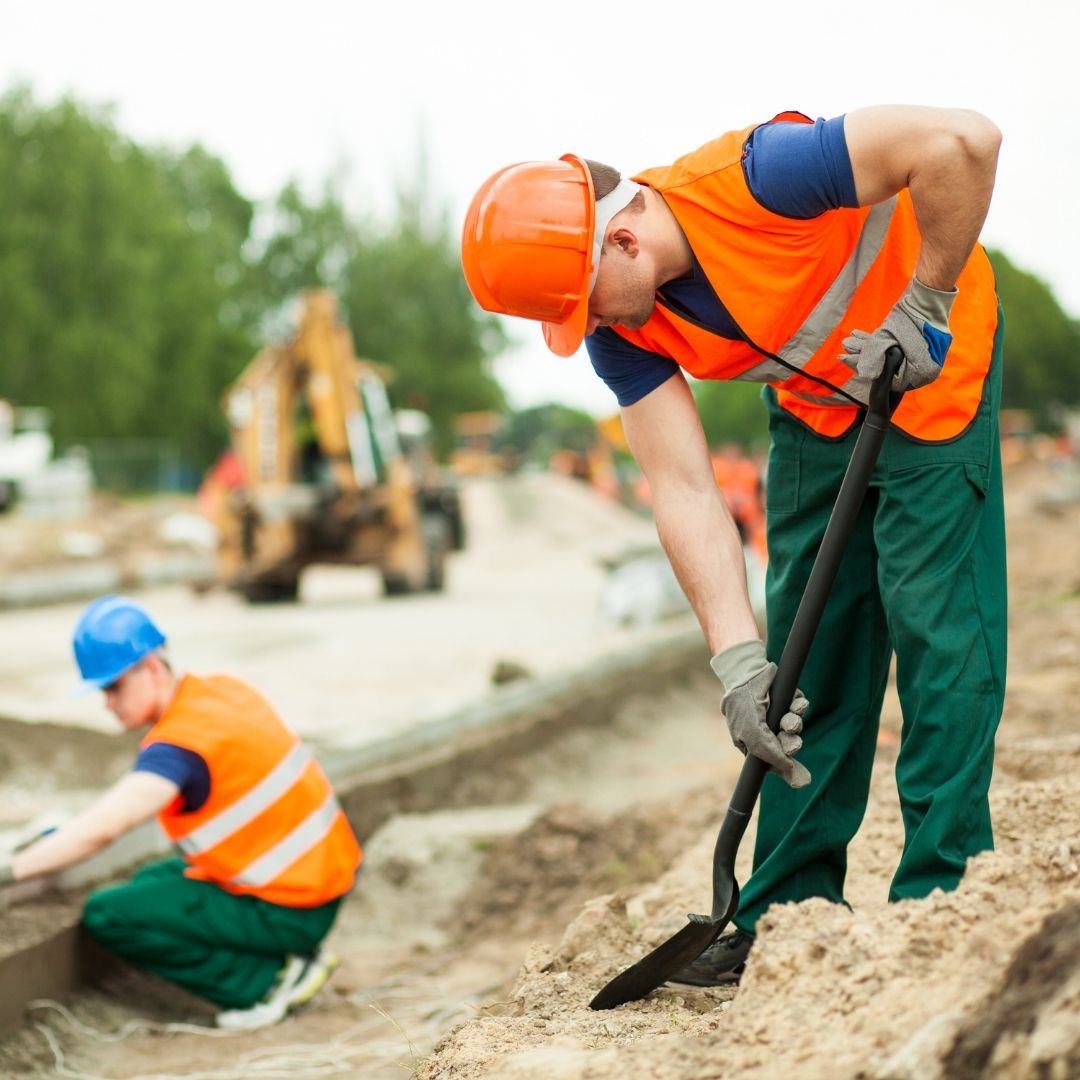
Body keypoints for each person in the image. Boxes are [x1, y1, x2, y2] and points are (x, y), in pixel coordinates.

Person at [460, 106, 1004, 985]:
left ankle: (942, 901)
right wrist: (736, 664)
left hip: (937, 373)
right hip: (818, 411)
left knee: (939, 639)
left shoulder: (766, 176)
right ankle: (788, 917)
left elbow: (965, 143)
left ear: (624, 240)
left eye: (578, 301)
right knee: (802, 663)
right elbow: (680, 487)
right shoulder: (621, 329)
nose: (584, 326)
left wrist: (925, 303)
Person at [0, 595, 362, 1029]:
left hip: (292, 907)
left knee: (109, 913)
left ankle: (266, 982)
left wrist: (12, 869)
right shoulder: (220, 692)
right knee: (151, 880)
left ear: (152, 668)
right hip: (320, 883)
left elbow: (104, 828)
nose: (107, 703)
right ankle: (288, 955)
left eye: (114, 686)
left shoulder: (179, 748)